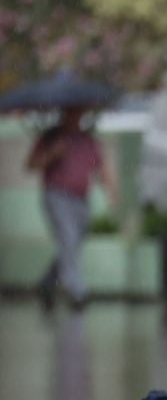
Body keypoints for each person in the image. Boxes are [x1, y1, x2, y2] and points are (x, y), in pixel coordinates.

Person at [26, 106, 116, 308]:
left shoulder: (87, 140)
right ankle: (78, 291)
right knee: (68, 238)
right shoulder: (51, 138)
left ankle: (47, 283)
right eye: (71, 113)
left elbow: (101, 168)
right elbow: (30, 165)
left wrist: (111, 192)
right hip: (57, 195)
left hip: (81, 200)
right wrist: (52, 154)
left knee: (73, 244)